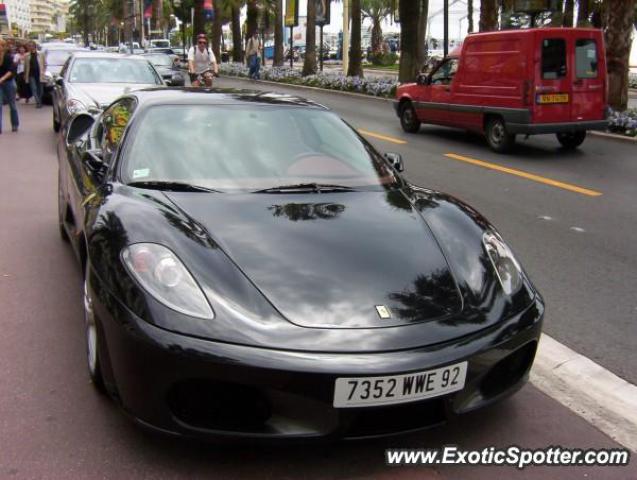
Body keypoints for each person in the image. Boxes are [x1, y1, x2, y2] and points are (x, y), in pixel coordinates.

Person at [0, 38, 19, 133]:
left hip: (8, 82)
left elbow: (11, 71)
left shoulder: (8, 57)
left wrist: (2, 79)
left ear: (2, 47)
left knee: (12, 105)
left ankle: (15, 124)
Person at [24, 42, 45, 108]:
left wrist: (43, 71)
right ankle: (38, 102)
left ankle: (39, 100)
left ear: (35, 46)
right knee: (34, 88)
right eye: (29, 46)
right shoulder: (27, 55)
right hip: (31, 74)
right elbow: (25, 66)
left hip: (39, 74)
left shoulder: (41, 54)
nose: (30, 47)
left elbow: (44, 64)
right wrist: (25, 75)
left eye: (31, 46)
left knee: (40, 89)